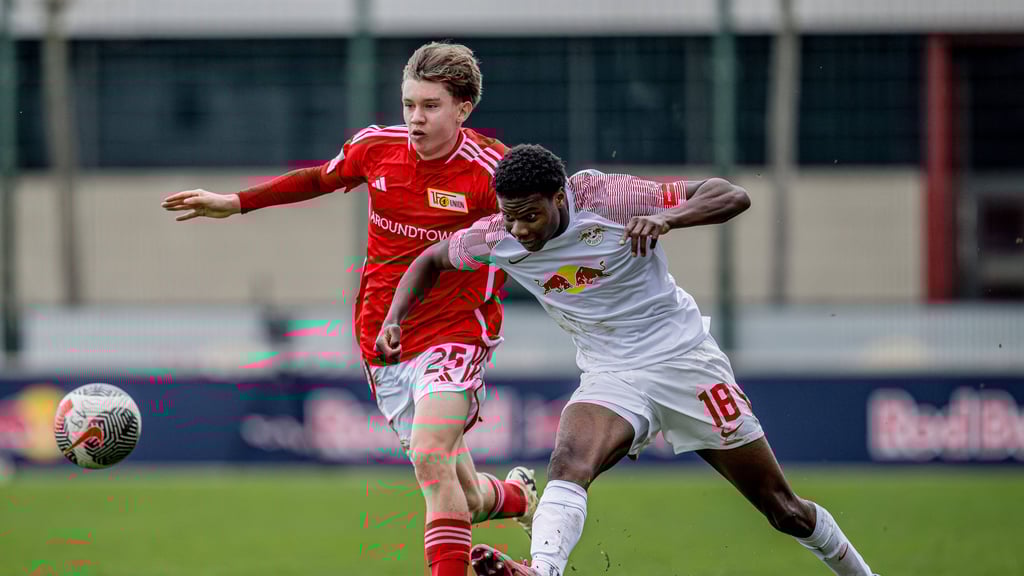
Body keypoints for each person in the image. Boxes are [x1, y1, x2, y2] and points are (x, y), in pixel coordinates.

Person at [376, 144, 879, 576]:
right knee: (568, 463)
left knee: (783, 509)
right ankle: (542, 570)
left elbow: (732, 194)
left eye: (530, 215)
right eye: (510, 215)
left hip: (684, 361)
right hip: (611, 373)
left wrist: (668, 217)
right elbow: (430, 260)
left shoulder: (606, 197)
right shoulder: (497, 236)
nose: (520, 229)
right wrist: (395, 318)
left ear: (559, 197)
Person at [160, 41, 538, 576]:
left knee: (431, 454)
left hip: (457, 333)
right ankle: (517, 497)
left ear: (463, 109)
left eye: (431, 106)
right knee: (463, 495)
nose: (415, 118)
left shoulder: (493, 172)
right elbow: (318, 177)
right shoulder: (376, 147)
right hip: (383, 341)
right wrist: (235, 202)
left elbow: (551, 222)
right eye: (409, 103)